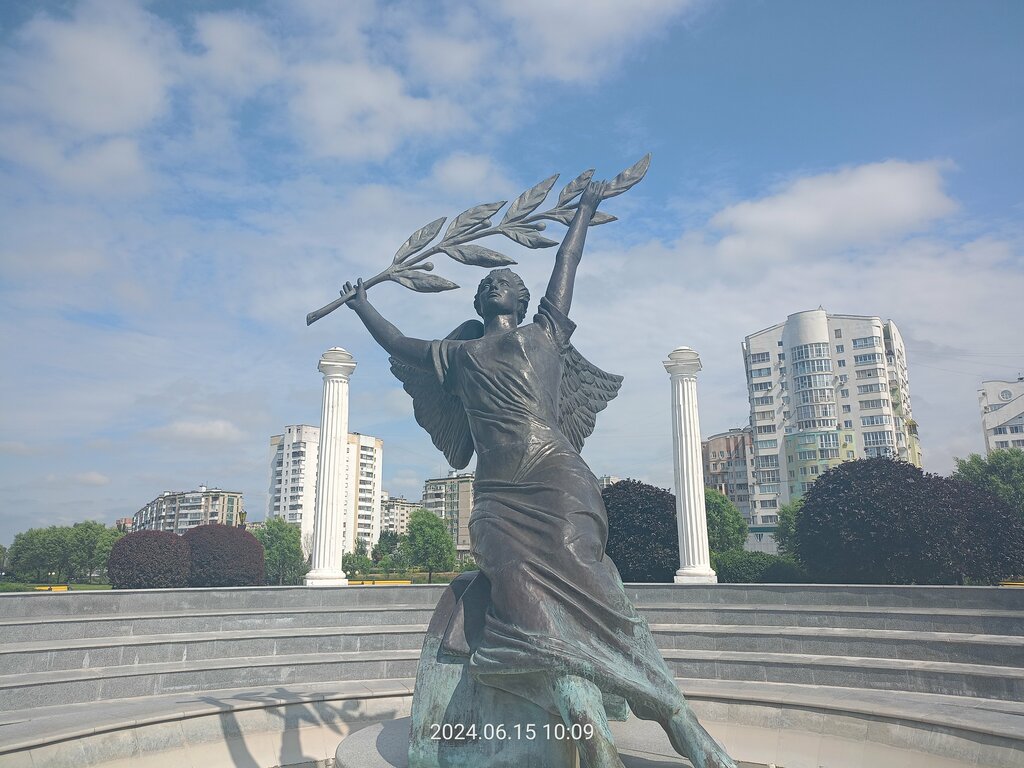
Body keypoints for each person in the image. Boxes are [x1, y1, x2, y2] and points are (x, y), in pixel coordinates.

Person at [343, 181, 735, 768]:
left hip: (557, 483)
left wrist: (583, 211)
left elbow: (566, 263)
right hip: (498, 500)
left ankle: (683, 723)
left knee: (602, 599)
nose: (496, 283)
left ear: (523, 302)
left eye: (506, 282)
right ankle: (590, 733)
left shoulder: (545, 335)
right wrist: (361, 305)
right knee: (529, 614)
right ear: (479, 304)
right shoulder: (458, 356)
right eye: (488, 283)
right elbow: (399, 343)